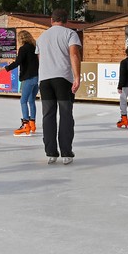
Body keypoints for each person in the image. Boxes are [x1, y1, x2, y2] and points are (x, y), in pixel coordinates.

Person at [35, 9, 81, 164]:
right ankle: (66, 152)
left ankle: (51, 152)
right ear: (66, 20)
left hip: (45, 80)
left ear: (51, 20)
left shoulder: (41, 37)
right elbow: (74, 54)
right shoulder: (70, 34)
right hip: (63, 79)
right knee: (66, 114)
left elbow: (40, 58)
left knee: (48, 115)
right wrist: (77, 77)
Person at [2, 30, 39, 136]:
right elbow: (26, 60)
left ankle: (25, 124)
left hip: (28, 78)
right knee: (31, 101)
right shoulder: (34, 47)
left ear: (21, 39)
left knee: (23, 101)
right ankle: (32, 123)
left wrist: (6, 68)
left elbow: (18, 62)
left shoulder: (23, 49)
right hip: (36, 77)